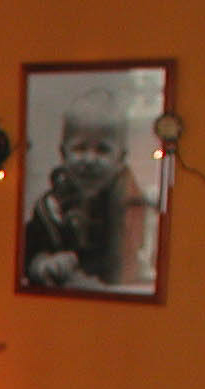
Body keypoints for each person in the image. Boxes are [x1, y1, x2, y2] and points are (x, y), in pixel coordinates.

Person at [21, 90, 152, 290]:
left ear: (121, 158)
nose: (90, 159)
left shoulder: (128, 202)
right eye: (80, 148)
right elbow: (28, 250)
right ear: (63, 153)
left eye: (102, 149)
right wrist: (42, 264)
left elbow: (128, 255)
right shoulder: (50, 206)